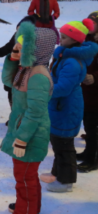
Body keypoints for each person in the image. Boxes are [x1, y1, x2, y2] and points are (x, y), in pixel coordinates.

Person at [0, 22, 57, 214]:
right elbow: (8, 81)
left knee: (25, 178)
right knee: (23, 177)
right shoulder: (27, 69)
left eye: (22, 45)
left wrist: (22, 139)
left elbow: (35, 112)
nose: (16, 46)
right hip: (22, 129)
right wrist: (11, 59)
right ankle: (26, 206)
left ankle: (27, 210)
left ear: (35, 49)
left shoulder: (38, 76)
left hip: (31, 136)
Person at [40, 19, 98, 192]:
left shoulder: (71, 62)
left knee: (64, 146)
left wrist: (44, 91)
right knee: (58, 143)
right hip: (60, 106)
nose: (60, 40)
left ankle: (66, 182)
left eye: (64, 37)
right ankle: (57, 173)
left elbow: (64, 87)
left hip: (66, 108)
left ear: (74, 40)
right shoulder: (65, 55)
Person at [0, 15, 38, 115]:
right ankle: (14, 117)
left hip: (27, 74)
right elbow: (3, 51)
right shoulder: (15, 36)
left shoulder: (34, 40)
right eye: (18, 28)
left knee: (25, 98)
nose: (19, 31)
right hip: (14, 72)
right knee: (12, 96)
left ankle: (24, 119)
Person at [77, 11, 98, 173]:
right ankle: (88, 152)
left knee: (94, 127)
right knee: (89, 124)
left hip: (95, 90)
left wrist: (95, 77)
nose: (90, 25)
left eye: (94, 22)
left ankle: (93, 158)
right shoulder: (87, 40)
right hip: (86, 90)